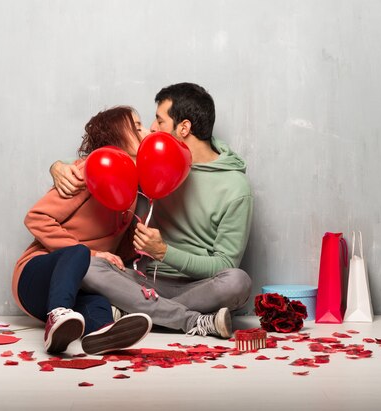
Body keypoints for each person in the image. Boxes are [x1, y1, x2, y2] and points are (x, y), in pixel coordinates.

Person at [50, 83, 253, 339]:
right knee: (87, 265)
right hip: (139, 282)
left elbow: (225, 264)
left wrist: (165, 252)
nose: (152, 128)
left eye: (159, 120)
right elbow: (103, 162)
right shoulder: (150, 157)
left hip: (196, 288)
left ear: (184, 128)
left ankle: (138, 312)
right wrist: (57, 166)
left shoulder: (236, 187)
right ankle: (189, 320)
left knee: (238, 282)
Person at [13, 106, 152, 355]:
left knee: (98, 304)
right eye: (138, 126)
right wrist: (93, 254)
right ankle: (57, 316)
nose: (147, 131)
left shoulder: (133, 187)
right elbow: (36, 217)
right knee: (79, 252)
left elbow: (113, 242)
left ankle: (101, 335)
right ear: (118, 134)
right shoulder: (87, 172)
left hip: (80, 285)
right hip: (36, 277)